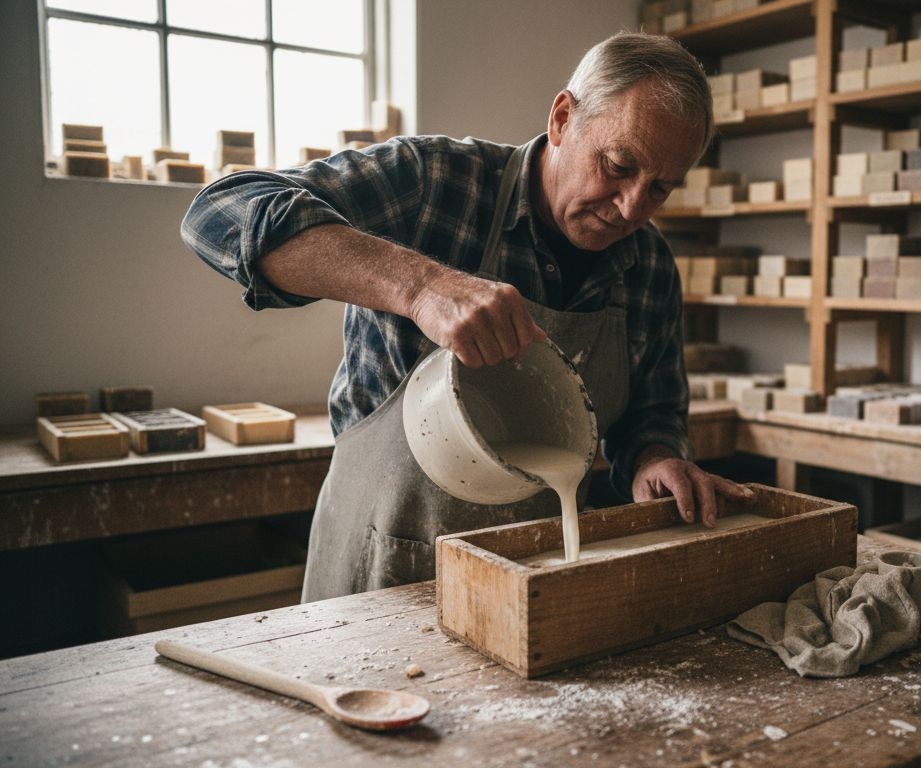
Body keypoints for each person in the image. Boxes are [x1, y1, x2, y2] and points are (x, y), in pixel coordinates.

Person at [182, 32, 752, 602]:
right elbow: (217, 212)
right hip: (383, 567)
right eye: (618, 165)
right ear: (562, 119)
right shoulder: (435, 183)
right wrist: (422, 285)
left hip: (536, 576)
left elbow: (651, 413)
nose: (631, 206)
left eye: (659, 189)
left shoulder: (647, 264)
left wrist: (656, 460)